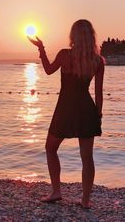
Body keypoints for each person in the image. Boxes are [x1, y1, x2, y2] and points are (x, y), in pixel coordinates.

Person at [28, 19, 104, 209]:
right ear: (91, 36)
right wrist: (98, 115)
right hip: (87, 109)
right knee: (87, 157)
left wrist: (42, 49)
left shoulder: (64, 55)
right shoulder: (97, 61)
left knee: (50, 148)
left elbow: (47, 70)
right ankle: (85, 201)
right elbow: (99, 93)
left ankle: (56, 191)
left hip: (65, 108)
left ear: (73, 36)